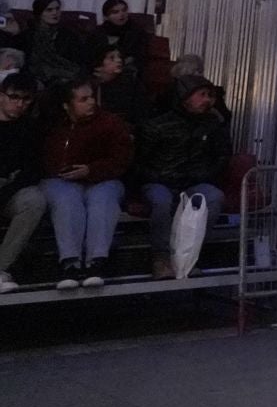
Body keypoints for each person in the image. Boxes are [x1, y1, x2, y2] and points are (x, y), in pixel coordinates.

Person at [135, 73, 231, 279]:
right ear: (184, 97)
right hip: (159, 180)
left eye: (210, 95)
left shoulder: (213, 125)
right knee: (161, 201)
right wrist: (159, 176)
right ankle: (160, 257)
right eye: (202, 94)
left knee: (212, 197)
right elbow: (138, 162)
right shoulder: (156, 125)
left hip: (194, 181)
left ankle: (190, 254)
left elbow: (222, 156)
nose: (208, 100)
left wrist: (204, 174)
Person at [40, 79, 132, 288]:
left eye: (92, 97)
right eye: (84, 99)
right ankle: (70, 262)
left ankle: (96, 261)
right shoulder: (52, 126)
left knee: (103, 199)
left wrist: (91, 170)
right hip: (60, 180)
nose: (91, 102)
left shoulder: (110, 124)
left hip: (102, 178)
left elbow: (122, 159)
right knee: (66, 199)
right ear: (67, 105)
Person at [0, 72, 46, 293]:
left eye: (26, 99)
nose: (19, 104)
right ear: (1, 96)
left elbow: (33, 170)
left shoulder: (31, 129)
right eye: (14, 97)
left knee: (34, 200)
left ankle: (1, 267)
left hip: (10, 190)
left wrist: (7, 189)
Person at [22, 0, 87, 87]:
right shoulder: (28, 35)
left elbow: (79, 60)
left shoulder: (69, 35)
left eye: (57, 9)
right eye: (49, 10)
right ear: (39, 13)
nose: (55, 13)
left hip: (65, 75)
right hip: (36, 76)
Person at [88, 0, 150, 74]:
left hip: (127, 70)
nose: (121, 14)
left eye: (124, 10)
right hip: (100, 70)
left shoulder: (137, 32)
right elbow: (91, 56)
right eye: (115, 12)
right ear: (106, 17)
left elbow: (139, 56)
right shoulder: (97, 33)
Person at [90, 46, 146, 126]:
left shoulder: (131, 85)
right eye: (112, 58)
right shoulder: (90, 86)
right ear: (98, 66)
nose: (119, 60)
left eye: (119, 57)